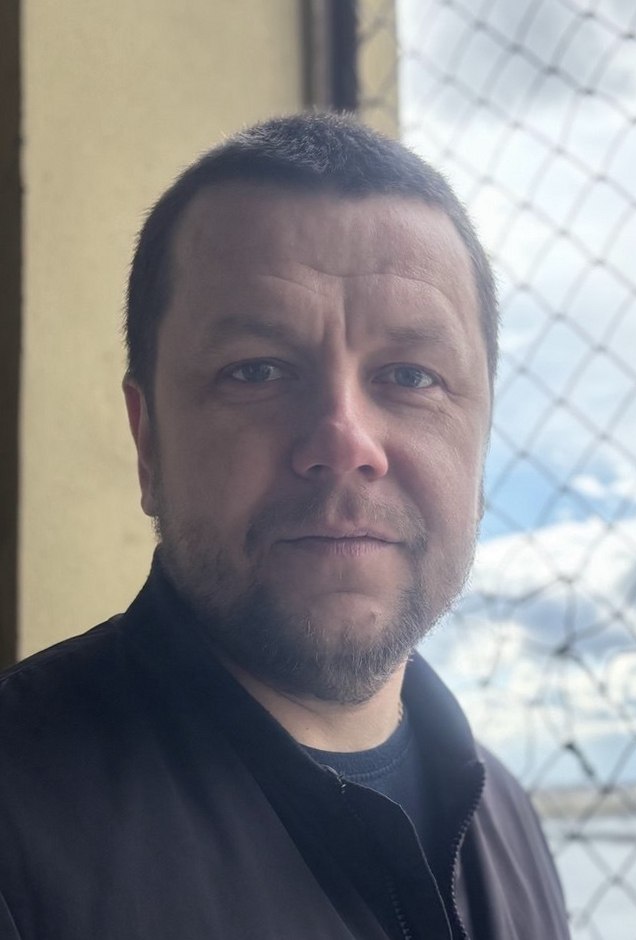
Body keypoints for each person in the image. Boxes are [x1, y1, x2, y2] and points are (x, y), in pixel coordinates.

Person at [0, 112, 570, 939]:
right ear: (148, 441)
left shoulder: (506, 817)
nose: (344, 443)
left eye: (411, 376)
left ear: (481, 446)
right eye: (256, 371)